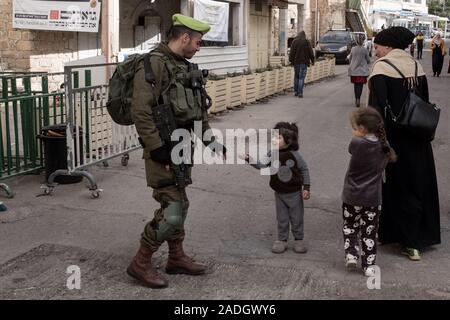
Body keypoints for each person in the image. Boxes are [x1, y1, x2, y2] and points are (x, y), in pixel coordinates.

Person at [127, 14, 225, 288]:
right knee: (172, 211)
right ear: (184, 37)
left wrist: (210, 141)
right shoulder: (154, 64)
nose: (199, 46)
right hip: (162, 150)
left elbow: (196, 111)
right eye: (198, 41)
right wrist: (157, 148)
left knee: (180, 202)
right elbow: (140, 111)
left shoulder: (184, 66)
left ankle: (176, 257)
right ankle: (141, 262)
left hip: (182, 148)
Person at [368, 26, 441, 261]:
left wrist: (374, 141)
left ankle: (407, 240)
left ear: (388, 46)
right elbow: (424, 102)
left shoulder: (381, 68)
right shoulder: (416, 66)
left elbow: (375, 111)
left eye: (377, 46)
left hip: (394, 139)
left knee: (399, 185)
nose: (375, 50)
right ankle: (422, 234)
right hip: (418, 138)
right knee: (419, 182)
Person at [342, 108, 396, 277]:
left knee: (350, 226)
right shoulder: (384, 147)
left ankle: (351, 255)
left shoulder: (357, 143)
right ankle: (369, 265)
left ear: (363, 129)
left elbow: (350, 150)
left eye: (355, 127)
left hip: (352, 195)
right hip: (373, 198)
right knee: (369, 232)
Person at [242, 122, 311, 254]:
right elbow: (261, 165)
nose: (274, 139)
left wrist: (306, 187)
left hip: (295, 193)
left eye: (278, 137)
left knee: (297, 217)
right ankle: (282, 240)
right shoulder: (272, 153)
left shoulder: (295, 155)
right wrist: (249, 159)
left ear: (289, 140)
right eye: (274, 137)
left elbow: (304, 169)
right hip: (279, 193)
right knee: (282, 217)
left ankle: (298, 239)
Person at [289, 31, 315, 98]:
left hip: (296, 62)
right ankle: (300, 92)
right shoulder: (307, 42)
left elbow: (291, 52)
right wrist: (312, 61)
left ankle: (296, 91)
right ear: (304, 35)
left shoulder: (294, 41)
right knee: (301, 77)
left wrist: (291, 61)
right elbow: (311, 52)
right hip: (304, 62)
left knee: (296, 77)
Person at [347, 34, 371, 107]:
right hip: (362, 71)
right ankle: (358, 99)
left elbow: (350, 58)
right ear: (363, 41)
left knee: (356, 85)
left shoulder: (353, 49)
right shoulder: (365, 50)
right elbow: (368, 60)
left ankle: (357, 99)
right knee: (360, 86)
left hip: (354, 71)